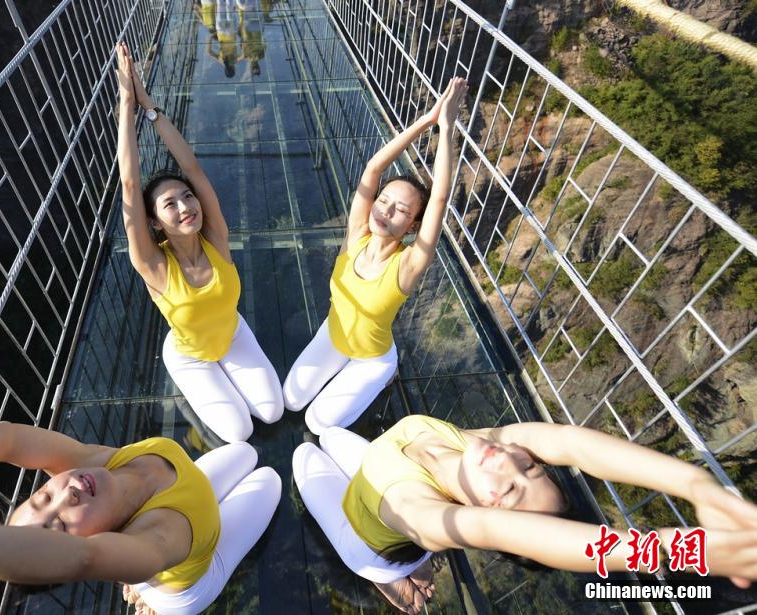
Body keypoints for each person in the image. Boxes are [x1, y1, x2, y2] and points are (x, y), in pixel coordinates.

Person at [293, 414, 757, 613]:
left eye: (511, 491)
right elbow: (570, 443)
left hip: (367, 541)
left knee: (301, 458)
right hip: (376, 465)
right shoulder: (480, 443)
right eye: (532, 467)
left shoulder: (424, 512)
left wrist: (680, 549)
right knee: (329, 432)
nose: (511, 461)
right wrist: (698, 486)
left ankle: (394, 577)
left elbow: (500, 530)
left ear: (488, 511)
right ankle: (414, 569)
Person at [0, 421, 281, 615]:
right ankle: (150, 595)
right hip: (190, 580)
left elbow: (6, 440)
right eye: (60, 526)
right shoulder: (162, 535)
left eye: (42, 497)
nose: (68, 492)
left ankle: (133, 581)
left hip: (173, 507)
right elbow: (80, 560)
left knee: (243, 451)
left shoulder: (95, 461)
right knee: (272, 483)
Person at [116, 42, 284, 443]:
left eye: (187, 197)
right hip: (190, 355)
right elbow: (130, 183)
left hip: (231, 334)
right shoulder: (153, 266)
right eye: (169, 205)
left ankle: (230, 370)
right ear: (155, 224)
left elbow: (192, 168)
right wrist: (126, 104)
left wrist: (150, 107)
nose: (186, 206)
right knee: (238, 431)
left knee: (273, 411)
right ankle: (194, 384)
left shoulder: (216, 238)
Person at [282, 77, 469, 435]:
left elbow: (440, 197)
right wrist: (425, 121)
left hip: (371, 358)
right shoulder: (356, 235)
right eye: (383, 201)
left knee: (318, 423)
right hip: (333, 335)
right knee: (291, 399)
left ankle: (386, 374)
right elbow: (372, 171)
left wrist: (446, 129)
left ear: (413, 224)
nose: (385, 211)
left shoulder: (408, 264)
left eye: (400, 210)